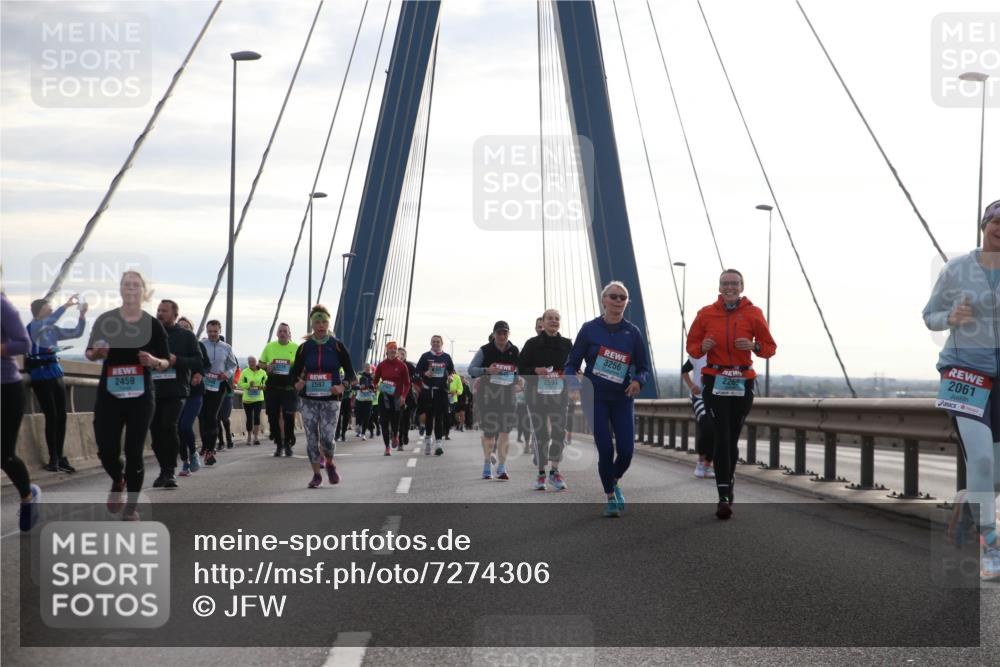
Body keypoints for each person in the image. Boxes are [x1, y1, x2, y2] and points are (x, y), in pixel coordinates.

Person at [924, 198, 1000, 580]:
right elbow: (929, 316)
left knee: (993, 472)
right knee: (983, 461)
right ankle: (991, 544)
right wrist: (950, 317)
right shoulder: (956, 269)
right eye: (997, 221)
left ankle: (966, 504)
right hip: (965, 373)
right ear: (984, 225)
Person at [687, 269, 776, 520]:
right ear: (719, 286)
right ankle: (723, 496)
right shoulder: (705, 313)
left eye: (734, 284)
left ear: (742, 287)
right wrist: (701, 348)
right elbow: (691, 346)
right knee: (721, 437)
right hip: (715, 379)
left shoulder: (753, 313)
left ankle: (728, 482)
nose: (729, 287)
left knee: (732, 438)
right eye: (725, 283)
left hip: (742, 381)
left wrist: (754, 346)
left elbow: (770, 348)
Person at [86, 271, 170, 517]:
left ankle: (131, 508)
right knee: (106, 449)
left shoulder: (152, 324)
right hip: (109, 395)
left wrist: (154, 360)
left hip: (141, 396)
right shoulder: (106, 320)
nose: (130, 289)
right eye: (126, 285)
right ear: (121, 290)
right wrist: (97, 353)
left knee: (134, 450)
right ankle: (117, 477)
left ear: (143, 291)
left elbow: (166, 361)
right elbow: (90, 352)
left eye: (135, 285)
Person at [565, 282, 650, 517]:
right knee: (605, 448)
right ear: (604, 300)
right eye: (613, 296)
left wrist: (638, 382)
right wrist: (572, 382)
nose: (618, 300)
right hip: (596, 397)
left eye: (623, 297)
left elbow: (643, 367)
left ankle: (613, 478)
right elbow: (572, 363)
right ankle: (611, 497)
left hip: (622, 398)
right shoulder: (589, 329)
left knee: (626, 451)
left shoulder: (632, 332)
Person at [292, 304, 355, 487]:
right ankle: (316, 475)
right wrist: (297, 383)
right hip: (308, 400)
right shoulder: (305, 348)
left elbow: (351, 374)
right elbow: (294, 373)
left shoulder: (337, 346)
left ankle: (329, 463)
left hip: (330, 400)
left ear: (328, 324)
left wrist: (342, 386)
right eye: (317, 322)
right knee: (312, 438)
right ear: (312, 324)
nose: (321, 325)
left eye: (324, 322)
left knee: (327, 438)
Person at [26, 294, 87, 472]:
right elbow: (51, 318)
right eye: (48, 306)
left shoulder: (51, 328)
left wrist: (82, 316)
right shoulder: (35, 326)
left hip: (55, 372)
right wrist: (66, 306)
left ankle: (60, 456)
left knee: (62, 415)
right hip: (40, 374)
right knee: (51, 415)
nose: (51, 308)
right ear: (39, 310)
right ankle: (53, 457)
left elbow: (76, 332)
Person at [149, 299, 203, 488]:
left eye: (164, 310)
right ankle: (163, 469)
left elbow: (198, 361)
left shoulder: (186, 336)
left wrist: (176, 360)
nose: (159, 313)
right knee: (155, 433)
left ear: (174, 315)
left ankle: (169, 472)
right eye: (158, 310)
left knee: (169, 426)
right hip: (153, 390)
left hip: (176, 390)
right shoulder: (149, 335)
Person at [519, 308, 572, 491]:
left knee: (558, 432)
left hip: (559, 396)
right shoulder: (532, 344)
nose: (554, 321)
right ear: (543, 321)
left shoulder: (567, 344)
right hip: (536, 396)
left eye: (557, 318)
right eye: (550, 318)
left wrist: (570, 374)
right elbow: (521, 367)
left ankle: (555, 472)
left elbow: (573, 367)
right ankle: (541, 474)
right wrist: (535, 371)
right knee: (542, 434)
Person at [2, 292, 41, 531]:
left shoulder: (2, 305)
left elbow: (23, 343)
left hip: (5, 388)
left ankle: (28, 496)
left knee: (4, 454)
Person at [469, 321, 521, 480]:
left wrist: (518, 381)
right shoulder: (485, 350)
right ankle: (486, 464)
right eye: (499, 333)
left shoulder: (514, 350)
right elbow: (472, 370)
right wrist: (487, 370)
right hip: (488, 397)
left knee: (505, 432)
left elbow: (519, 371)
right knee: (489, 433)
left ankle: (502, 467)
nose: (502, 336)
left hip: (507, 397)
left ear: (508, 334)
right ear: (494, 335)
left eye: (505, 333)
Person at [198, 320, 237, 465]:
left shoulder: (226, 347)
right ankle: (206, 445)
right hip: (202, 384)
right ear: (206, 331)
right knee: (202, 417)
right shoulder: (201, 345)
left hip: (218, 385)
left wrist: (227, 374)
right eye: (210, 331)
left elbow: (233, 365)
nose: (212, 334)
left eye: (215, 331)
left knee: (212, 416)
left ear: (219, 331)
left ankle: (210, 450)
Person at [260, 323, 300, 456]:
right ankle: (279, 443)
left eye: (285, 331)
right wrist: (266, 366)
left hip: (289, 387)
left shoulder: (296, 347)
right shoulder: (270, 346)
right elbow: (261, 363)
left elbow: (302, 366)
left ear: (289, 334)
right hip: (273, 387)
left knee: (289, 416)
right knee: (273, 417)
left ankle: (288, 443)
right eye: (280, 331)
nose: (282, 333)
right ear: (277, 334)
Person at [176, 317, 208, 476]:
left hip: (195, 393)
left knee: (185, 426)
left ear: (191, 329)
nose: (183, 330)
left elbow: (206, 364)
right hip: (178, 392)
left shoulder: (199, 345)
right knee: (177, 428)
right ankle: (184, 462)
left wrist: (199, 374)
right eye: (180, 327)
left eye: (187, 327)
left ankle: (193, 453)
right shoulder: (173, 345)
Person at [415, 335, 456, 455]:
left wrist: (450, 377)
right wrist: (425, 374)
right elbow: (417, 373)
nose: (436, 343)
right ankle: (428, 439)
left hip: (441, 391)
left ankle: (438, 443)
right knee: (429, 417)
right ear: (430, 343)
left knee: (439, 418)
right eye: (433, 342)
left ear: (442, 343)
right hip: (428, 391)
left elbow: (452, 371)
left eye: (438, 342)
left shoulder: (446, 357)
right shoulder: (425, 356)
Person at [375, 341, 411, 456]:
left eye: (394, 349)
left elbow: (407, 383)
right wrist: (376, 386)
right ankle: (387, 447)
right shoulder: (381, 365)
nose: (393, 351)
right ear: (387, 351)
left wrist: (403, 397)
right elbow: (375, 381)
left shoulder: (402, 365)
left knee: (395, 421)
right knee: (384, 422)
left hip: (397, 398)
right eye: (390, 349)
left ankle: (395, 435)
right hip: (384, 397)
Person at [681, 354, 715, 479]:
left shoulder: (723, 351)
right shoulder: (697, 354)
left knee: (716, 430)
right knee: (707, 426)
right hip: (700, 398)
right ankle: (700, 463)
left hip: (718, 398)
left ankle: (707, 464)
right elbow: (684, 370)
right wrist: (692, 386)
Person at [238, 355, 268, 445]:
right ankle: (249, 436)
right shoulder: (245, 372)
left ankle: (256, 437)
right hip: (248, 399)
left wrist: (264, 386)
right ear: (248, 363)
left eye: (253, 361)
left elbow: (267, 381)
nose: (252, 363)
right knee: (249, 418)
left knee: (256, 417)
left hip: (258, 398)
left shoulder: (262, 372)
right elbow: (240, 383)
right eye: (250, 362)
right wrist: (248, 384)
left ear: (256, 362)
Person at [354, 366, 377, 440]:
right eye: (366, 368)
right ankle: (358, 425)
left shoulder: (373, 377)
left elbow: (376, 388)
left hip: (368, 400)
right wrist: (360, 387)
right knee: (359, 416)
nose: (368, 370)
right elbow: (354, 386)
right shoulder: (359, 376)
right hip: (359, 400)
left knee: (367, 417)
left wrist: (373, 389)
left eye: (369, 369)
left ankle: (363, 434)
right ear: (364, 369)